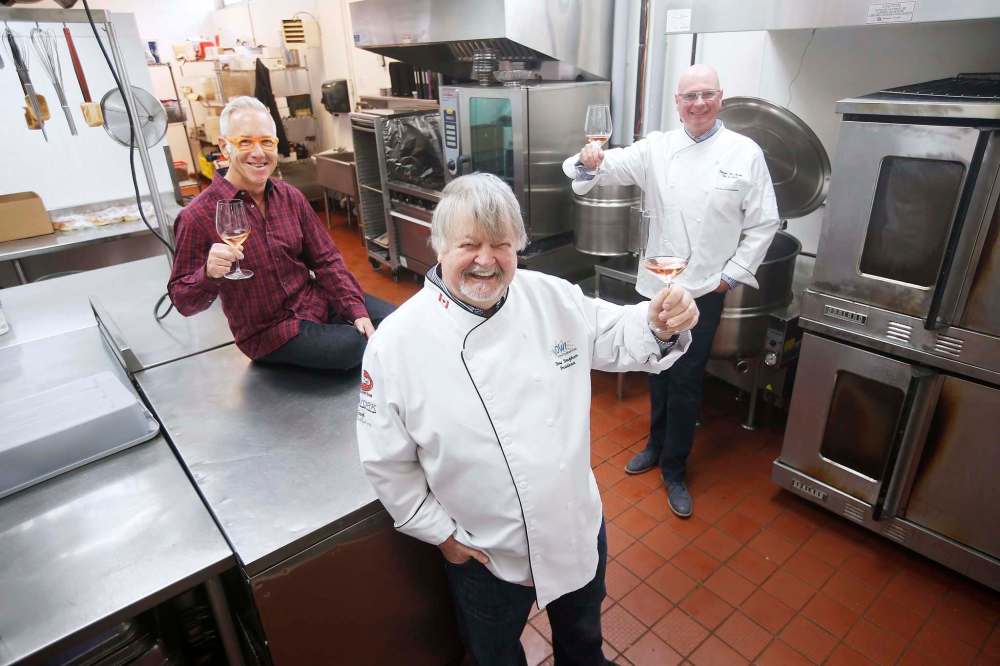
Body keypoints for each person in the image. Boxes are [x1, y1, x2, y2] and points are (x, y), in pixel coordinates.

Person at [356, 173, 699, 666]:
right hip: (484, 551)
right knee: (495, 656)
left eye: (501, 244)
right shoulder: (397, 344)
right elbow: (386, 461)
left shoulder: (551, 298)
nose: (485, 259)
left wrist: (659, 320)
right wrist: (441, 535)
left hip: (573, 526)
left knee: (583, 645)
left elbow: (622, 332)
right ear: (438, 246)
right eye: (468, 244)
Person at [562, 64, 779, 518]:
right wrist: (588, 160)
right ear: (677, 103)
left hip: (703, 290)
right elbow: (599, 170)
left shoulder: (745, 153)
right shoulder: (657, 149)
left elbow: (763, 224)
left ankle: (675, 469)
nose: (698, 103)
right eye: (689, 96)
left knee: (685, 380)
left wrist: (730, 276)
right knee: (654, 368)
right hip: (656, 285)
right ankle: (654, 446)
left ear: (720, 98)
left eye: (707, 94)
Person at [168, 96, 393, 370]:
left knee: (394, 323)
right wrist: (208, 273)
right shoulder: (196, 216)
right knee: (354, 346)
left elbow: (326, 260)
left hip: (315, 301)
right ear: (224, 147)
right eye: (245, 142)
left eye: (266, 142)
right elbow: (183, 301)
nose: (258, 153)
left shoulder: (290, 197)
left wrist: (353, 310)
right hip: (269, 332)